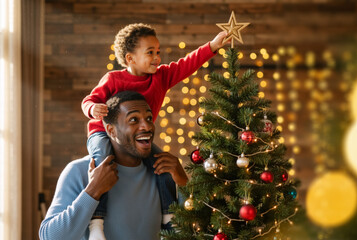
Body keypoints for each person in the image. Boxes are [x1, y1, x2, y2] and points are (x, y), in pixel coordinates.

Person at [80, 23, 229, 239]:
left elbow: (187, 64)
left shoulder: (160, 77)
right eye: (150, 53)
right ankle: (96, 222)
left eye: (158, 52)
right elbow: (89, 100)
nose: (157, 57)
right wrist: (93, 109)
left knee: (163, 164)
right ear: (130, 58)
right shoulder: (113, 79)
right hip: (102, 132)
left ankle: (169, 217)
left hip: (137, 139)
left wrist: (213, 46)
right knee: (103, 161)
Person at [39, 91, 188, 240]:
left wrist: (184, 184)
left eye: (149, 118)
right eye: (134, 119)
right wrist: (93, 190)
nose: (147, 126)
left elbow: (193, 229)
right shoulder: (79, 172)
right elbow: (49, 237)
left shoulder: (162, 174)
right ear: (111, 130)